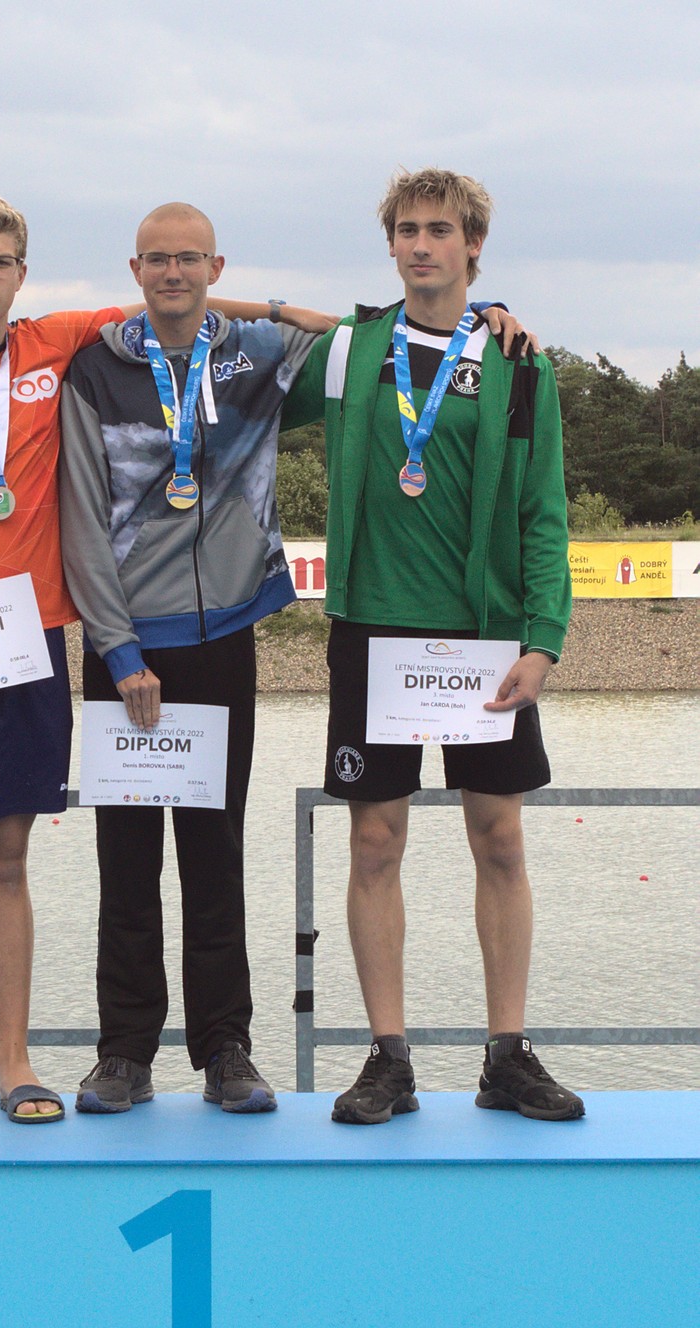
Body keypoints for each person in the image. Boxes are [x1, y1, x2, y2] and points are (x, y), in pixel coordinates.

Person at [0, 193, 335, 1130]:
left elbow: (183, 305)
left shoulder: (55, 344)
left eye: (0, 261)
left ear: (23, 275)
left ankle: (48, 1063)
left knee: (19, 857)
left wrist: (277, 308)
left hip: (38, 649)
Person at [58, 202, 528, 1117]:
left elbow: (364, 331)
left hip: (224, 639)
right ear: (134, 268)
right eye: (156, 260)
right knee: (125, 863)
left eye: (190, 259)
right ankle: (122, 1052)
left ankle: (225, 1048)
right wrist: (116, 648)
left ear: (216, 265)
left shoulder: (258, 354)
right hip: (126, 648)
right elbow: (79, 517)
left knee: (217, 856)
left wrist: (481, 313)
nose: (172, 273)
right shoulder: (97, 367)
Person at [281, 167, 584, 1125]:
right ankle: (388, 1058)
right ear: (391, 245)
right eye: (407, 229)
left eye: (440, 230)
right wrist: (265, 306)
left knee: (499, 838)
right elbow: (232, 356)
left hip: (484, 636)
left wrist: (544, 640)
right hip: (373, 628)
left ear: (473, 246)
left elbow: (544, 512)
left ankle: (507, 1054)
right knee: (375, 841)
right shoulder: (352, 350)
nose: (421, 244)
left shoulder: (519, 364)